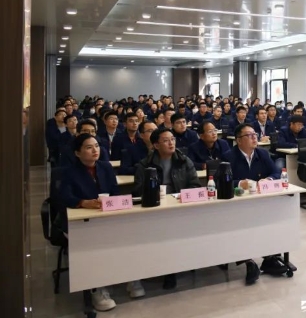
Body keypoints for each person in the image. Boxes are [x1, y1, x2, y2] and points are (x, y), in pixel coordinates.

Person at [132, 128, 201, 291]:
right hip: (155, 208)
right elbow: (138, 191)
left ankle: (176, 266)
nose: (171, 143)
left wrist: (181, 197)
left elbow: (195, 185)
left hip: (180, 207)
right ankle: (167, 269)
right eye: (166, 140)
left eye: (172, 139)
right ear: (156, 145)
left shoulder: (184, 161)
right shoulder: (145, 164)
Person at [219, 123, 286, 284]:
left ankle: (269, 257)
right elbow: (220, 181)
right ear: (238, 140)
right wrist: (239, 183)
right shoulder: (228, 157)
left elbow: (276, 172)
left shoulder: (262, 153)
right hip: (236, 205)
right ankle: (248, 261)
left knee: (271, 221)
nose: (254, 138)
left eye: (255, 134)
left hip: (260, 202)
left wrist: (269, 179)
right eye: (249, 135)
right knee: (241, 226)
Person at [60, 133, 119, 311]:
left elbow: (115, 192)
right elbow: (63, 197)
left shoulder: (105, 167)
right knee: (95, 244)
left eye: (97, 146)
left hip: (105, 217)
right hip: (80, 222)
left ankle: (130, 278)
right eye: (89, 147)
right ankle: (96, 288)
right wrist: (83, 202)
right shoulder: (68, 172)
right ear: (77, 153)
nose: (95, 150)